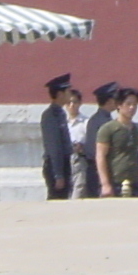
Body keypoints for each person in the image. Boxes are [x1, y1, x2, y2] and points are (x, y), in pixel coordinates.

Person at [96, 89, 138, 196]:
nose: (132, 108)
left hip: (135, 183)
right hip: (115, 183)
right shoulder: (108, 128)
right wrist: (105, 184)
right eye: (128, 104)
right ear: (119, 105)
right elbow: (100, 156)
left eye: (135, 104)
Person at [81, 82, 118, 199]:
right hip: (100, 172)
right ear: (109, 101)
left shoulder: (94, 119)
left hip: (92, 170)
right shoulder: (105, 123)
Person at [39, 72, 72, 200]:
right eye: (67, 91)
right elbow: (54, 146)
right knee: (57, 201)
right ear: (59, 94)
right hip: (55, 166)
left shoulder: (60, 113)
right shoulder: (50, 115)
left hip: (63, 164)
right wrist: (58, 174)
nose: (70, 94)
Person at [64, 86, 92, 197]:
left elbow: (90, 141)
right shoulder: (62, 122)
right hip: (65, 160)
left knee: (79, 189)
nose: (72, 105)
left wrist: (82, 147)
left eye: (75, 102)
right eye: (69, 102)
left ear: (80, 103)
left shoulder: (85, 122)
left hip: (79, 160)